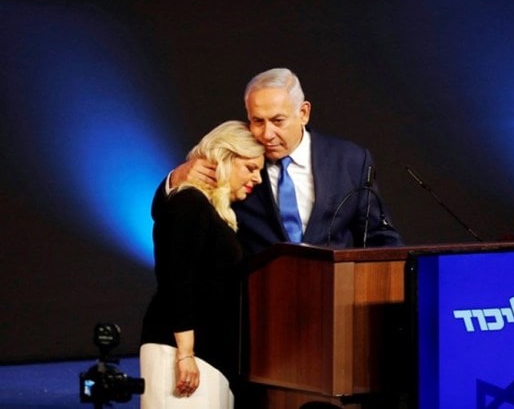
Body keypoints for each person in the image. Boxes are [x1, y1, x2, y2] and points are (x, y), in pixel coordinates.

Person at [156, 67, 403, 255]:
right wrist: (175, 180)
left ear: (303, 113)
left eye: (277, 121)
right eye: (257, 121)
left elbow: (379, 236)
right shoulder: (237, 161)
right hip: (259, 300)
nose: (267, 134)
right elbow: (178, 219)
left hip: (334, 297)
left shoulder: (350, 160)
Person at [140, 120, 265, 409]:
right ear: (223, 159)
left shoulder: (212, 210)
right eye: (250, 168)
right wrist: (185, 354)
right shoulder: (189, 202)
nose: (258, 178)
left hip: (211, 355)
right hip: (182, 352)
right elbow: (176, 281)